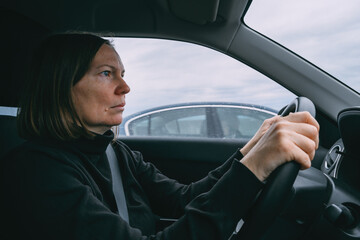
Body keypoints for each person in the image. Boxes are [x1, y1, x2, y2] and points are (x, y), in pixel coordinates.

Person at [0, 33, 319, 239]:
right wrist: (254, 169)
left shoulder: (114, 152)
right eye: (106, 73)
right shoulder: (37, 173)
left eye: (122, 75)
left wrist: (250, 153)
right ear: (60, 87)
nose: (125, 87)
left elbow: (184, 199)